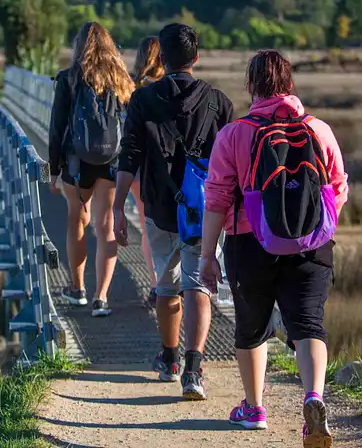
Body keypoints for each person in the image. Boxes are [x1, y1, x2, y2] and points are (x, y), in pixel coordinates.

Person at [198, 50, 347, 447]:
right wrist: (315, 228)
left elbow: (216, 199)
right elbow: (337, 188)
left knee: (252, 327)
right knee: (308, 324)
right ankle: (314, 397)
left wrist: (207, 256)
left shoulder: (234, 134)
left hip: (250, 243)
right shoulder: (320, 130)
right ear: (290, 84)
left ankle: (254, 408)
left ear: (251, 86)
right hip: (312, 245)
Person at [113, 23, 234, 400]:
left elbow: (129, 156)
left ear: (162, 59)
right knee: (198, 283)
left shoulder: (143, 100)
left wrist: (118, 207)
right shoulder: (219, 102)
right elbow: (232, 163)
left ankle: (169, 359)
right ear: (196, 57)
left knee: (167, 284)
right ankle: (194, 370)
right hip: (206, 210)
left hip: (161, 207)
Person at [48, 21, 133, 318]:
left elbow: (57, 128)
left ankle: (78, 288)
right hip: (112, 160)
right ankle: (102, 298)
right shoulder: (120, 78)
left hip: (76, 162)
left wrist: (54, 170)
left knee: (76, 219)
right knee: (106, 224)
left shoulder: (69, 78)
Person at [130, 35, 164, 306]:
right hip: (168, 169)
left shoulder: (131, 87)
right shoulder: (170, 86)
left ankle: (156, 284)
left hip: (139, 170)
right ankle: (171, 283)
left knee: (147, 226)